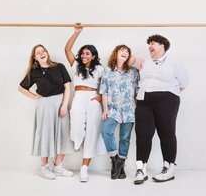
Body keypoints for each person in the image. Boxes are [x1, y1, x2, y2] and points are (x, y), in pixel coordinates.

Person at [129, 34, 189, 184]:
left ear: (162, 46)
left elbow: (184, 82)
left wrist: (167, 94)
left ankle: (168, 169)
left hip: (168, 99)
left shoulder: (175, 62)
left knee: (167, 133)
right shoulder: (143, 57)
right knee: (143, 134)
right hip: (144, 99)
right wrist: (134, 57)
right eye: (148, 44)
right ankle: (141, 169)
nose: (149, 47)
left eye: (153, 44)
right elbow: (125, 61)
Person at [18, 44, 74, 180]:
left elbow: (67, 86)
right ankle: (44, 168)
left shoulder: (59, 66)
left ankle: (58, 166)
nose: (42, 53)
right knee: (45, 135)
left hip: (60, 102)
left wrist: (64, 105)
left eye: (43, 50)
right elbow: (21, 88)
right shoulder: (34, 72)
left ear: (46, 53)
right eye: (38, 52)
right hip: (44, 105)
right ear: (35, 57)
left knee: (64, 133)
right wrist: (35, 96)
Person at [65, 24, 106, 182]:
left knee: (92, 132)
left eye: (87, 54)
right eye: (82, 53)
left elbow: (106, 88)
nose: (84, 56)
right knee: (77, 129)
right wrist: (76, 33)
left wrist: (99, 98)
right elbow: (67, 50)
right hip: (79, 98)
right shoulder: (76, 66)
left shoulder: (100, 70)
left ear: (94, 56)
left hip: (93, 100)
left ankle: (84, 168)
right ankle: (78, 149)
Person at [100, 45, 139, 180]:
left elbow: (137, 91)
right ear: (115, 53)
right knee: (106, 131)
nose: (125, 52)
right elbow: (104, 91)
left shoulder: (134, 71)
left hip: (129, 109)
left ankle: (121, 165)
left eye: (127, 51)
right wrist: (105, 109)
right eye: (122, 50)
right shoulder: (108, 71)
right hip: (112, 108)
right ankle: (115, 159)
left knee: (125, 138)